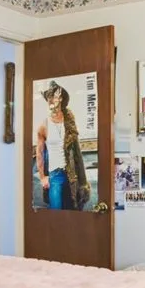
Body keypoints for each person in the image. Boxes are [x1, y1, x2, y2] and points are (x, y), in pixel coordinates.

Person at [35, 81, 90, 209]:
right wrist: (43, 177)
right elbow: (39, 153)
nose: (50, 100)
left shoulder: (69, 121)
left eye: (53, 96)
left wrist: (83, 181)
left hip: (72, 173)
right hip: (55, 174)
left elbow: (77, 152)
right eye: (48, 97)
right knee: (56, 211)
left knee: (73, 210)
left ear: (60, 98)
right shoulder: (43, 126)